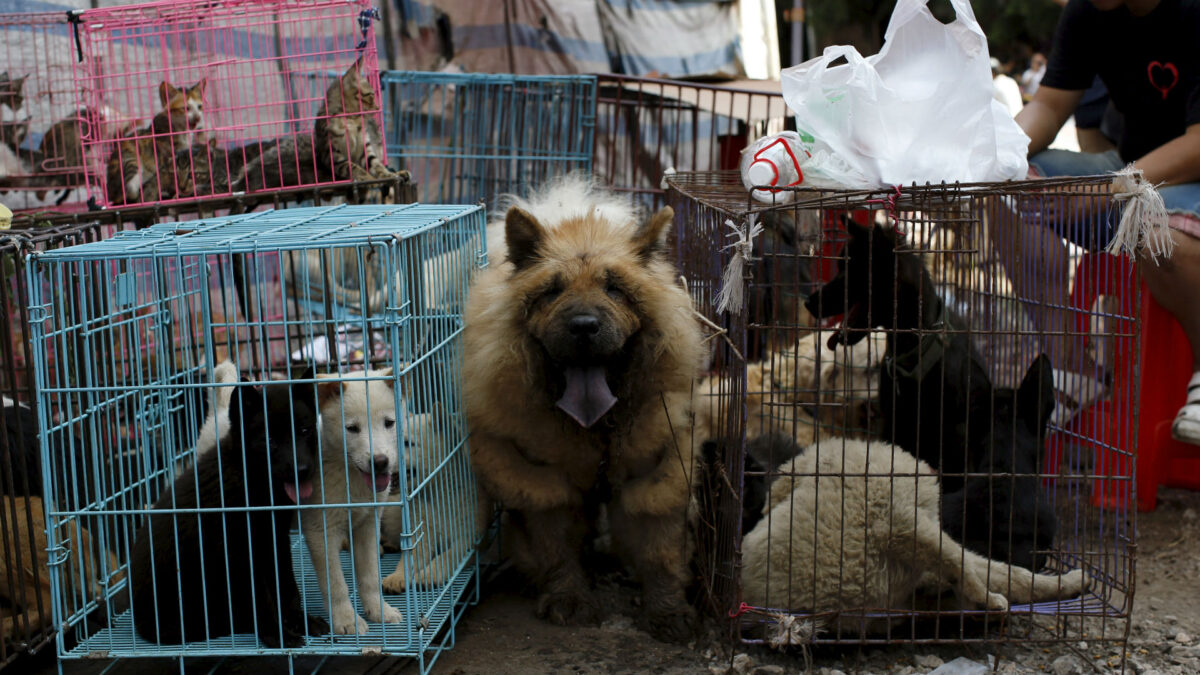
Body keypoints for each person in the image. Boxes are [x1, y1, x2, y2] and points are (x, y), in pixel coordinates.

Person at [992, 0, 1200, 443]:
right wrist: (992, 156)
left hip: (1182, 184)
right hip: (1130, 173)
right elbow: (1048, 108)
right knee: (1010, 186)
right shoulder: (1088, 13)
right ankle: (1071, 364)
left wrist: (1108, 189)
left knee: (1160, 234)